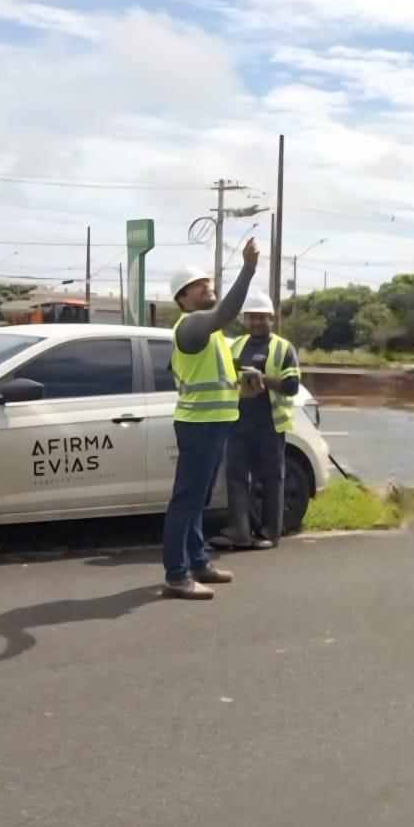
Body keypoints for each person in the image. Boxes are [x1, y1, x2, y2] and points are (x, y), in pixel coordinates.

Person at [162, 237, 259, 599]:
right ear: (183, 299)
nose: (207, 287)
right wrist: (248, 270)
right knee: (186, 501)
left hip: (215, 425)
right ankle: (177, 575)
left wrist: (242, 385)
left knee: (198, 499)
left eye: (208, 282)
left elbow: (216, 378)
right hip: (199, 427)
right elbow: (225, 313)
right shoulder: (193, 325)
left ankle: (198, 561)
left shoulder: (212, 333)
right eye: (198, 285)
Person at [211, 293, 300, 551]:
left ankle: (270, 533)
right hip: (239, 423)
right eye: (251, 317)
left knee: (272, 478)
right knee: (236, 476)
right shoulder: (237, 345)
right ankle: (239, 531)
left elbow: (292, 385)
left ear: (272, 319)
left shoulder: (283, 348)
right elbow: (226, 378)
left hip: (269, 424)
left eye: (261, 317)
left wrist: (262, 378)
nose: (256, 322)